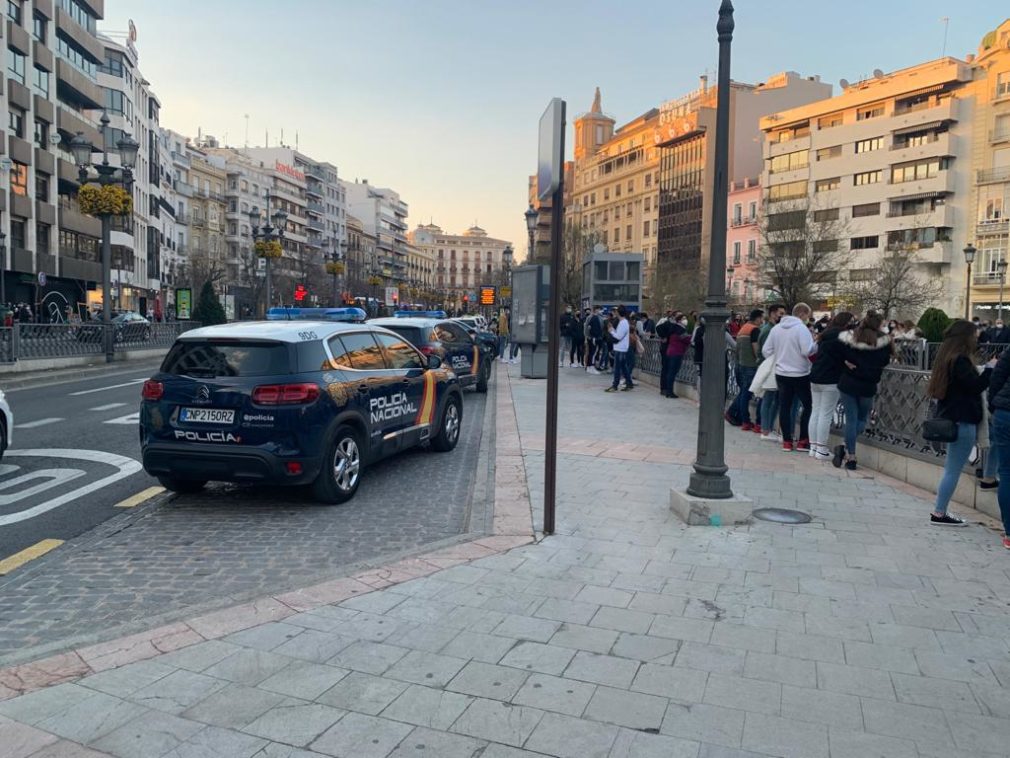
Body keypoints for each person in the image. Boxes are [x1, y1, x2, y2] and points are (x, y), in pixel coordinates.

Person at [927, 320, 995, 526]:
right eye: (974, 335)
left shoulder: (946, 358)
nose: (976, 339)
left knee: (951, 468)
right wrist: (990, 369)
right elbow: (974, 386)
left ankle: (940, 511)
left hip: (953, 417)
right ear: (965, 337)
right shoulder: (960, 361)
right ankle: (939, 513)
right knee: (953, 469)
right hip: (962, 421)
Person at [831, 312, 893, 470]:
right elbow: (885, 360)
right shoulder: (884, 342)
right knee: (862, 420)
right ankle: (845, 449)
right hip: (868, 384)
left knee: (850, 420)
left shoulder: (852, 337)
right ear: (879, 325)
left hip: (848, 382)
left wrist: (847, 362)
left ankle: (850, 455)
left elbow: (839, 353)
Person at [763, 302, 816, 452]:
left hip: (781, 373)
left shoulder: (776, 329)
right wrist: (816, 345)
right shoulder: (802, 329)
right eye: (808, 315)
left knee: (784, 406)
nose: (808, 319)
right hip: (800, 373)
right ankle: (803, 440)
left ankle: (786, 441)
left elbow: (766, 350)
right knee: (808, 405)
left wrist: (779, 359)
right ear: (803, 314)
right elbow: (807, 351)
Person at [808, 312, 853, 461]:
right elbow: (849, 356)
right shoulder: (843, 337)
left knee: (816, 411)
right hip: (831, 378)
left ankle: (813, 447)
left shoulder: (825, 335)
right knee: (825, 414)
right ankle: (821, 449)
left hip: (816, 376)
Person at [985, 344, 1010, 548]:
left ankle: (1009, 533)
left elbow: (997, 377)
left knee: (1007, 472)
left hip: (1005, 412)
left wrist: (995, 404)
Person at [727, 309, 764, 431]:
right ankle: (744, 420)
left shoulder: (743, 329)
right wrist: (760, 361)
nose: (762, 321)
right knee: (746, 393)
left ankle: (735, 414)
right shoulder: (754, 330)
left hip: (740, 364)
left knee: (744, 392)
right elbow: (756, 348)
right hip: (750, 365)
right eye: (761, 318)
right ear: (757, 318)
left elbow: (737, 348)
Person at [758, 304, 786, 441]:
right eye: (780, 313)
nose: (782, 316)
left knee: (773, 399)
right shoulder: (769, 330)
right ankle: (766, 429)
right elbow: (765, 350)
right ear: (773, 313)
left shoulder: (771, 328)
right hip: (771, 368)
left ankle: (767, 428)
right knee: (769, 399)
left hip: (772, 366)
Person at [660, 313, 690, 398]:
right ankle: (670, 392)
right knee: (672, 372)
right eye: (684, 318)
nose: (685, 320)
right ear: (679, 320)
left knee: (670, 372)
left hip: (670, 351)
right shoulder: (680, 329)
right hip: (676, 352)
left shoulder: (673, 328)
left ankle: (668, 390)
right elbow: (686, 339)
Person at [604, 305, 633, 392]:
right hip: (620, 348)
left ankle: (615, 386)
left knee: (617, 368)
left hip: (621, 348)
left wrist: (611, 331)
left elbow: (618, 337)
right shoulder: (622, 322)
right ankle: (629, 383)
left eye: (616, 311)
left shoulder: (623, 323)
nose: (615, 313)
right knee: (623, 367)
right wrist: (613, 329)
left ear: (618, 313)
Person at [586, 306, 604, 375]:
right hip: (594, 338)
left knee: (591, 352)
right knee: (593, 353)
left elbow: (589, 327)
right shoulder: (595, 318)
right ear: (596, 310)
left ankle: (589, 367)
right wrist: (593, 337)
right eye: (599, 309)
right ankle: (591, 366)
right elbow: (591, 328)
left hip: (593, 337)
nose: (600, 311)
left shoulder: (593, 318)